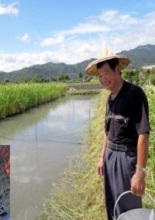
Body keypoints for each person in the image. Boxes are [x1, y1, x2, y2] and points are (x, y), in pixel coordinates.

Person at [85, 49, 150, 220]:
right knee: (112, 202)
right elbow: (108, 132)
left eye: (106, 73)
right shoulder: (110, 98)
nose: (103, 79)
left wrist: (140, 172)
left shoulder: (134, 94)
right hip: (110, 156)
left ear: (117, 69)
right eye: (100, 75)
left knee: (129, 209)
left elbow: (143, 133)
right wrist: (101, 158)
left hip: (126, 158)